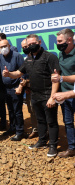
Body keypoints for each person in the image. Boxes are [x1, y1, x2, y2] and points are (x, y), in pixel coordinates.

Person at [2, 34, 60, 157]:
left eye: (32, 44)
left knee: (52, 122)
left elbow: (55, 78)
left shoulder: (50, 57)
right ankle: (42, 141)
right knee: (40, 120)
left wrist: (53, 97)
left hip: (48, 95)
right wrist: (8, 74)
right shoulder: (28, 59)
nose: (30, 47)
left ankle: (53, 146)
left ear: (39, 42)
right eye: (28, 45)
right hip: (35, 96)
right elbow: (18, 73)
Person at [50, 28, 75, 158]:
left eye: (60, 41)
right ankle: (72, 148)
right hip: (65, 95)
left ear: (69, 39)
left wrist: (61, 78)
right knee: (68, 122)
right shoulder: (61, 54)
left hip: (73, 93)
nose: (58, 44)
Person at [0, 33, 18, 130]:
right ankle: (3, 123)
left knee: (12, 104)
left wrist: (2, 53)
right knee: (1, 102)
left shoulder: (13, 49)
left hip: (10, 79)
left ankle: (14, 125)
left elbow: (12, 61)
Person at [17, 39, 38, 139]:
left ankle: (45, 132)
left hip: (40, 90)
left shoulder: (39, 57)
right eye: (23, 47)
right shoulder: (25, 59)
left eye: (26, 46)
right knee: (31, 110)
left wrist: (27, 82)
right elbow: (23, 74)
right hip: (29, 90)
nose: (25, 49)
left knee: (41, 111)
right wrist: (25, 85)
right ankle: (35, 130)